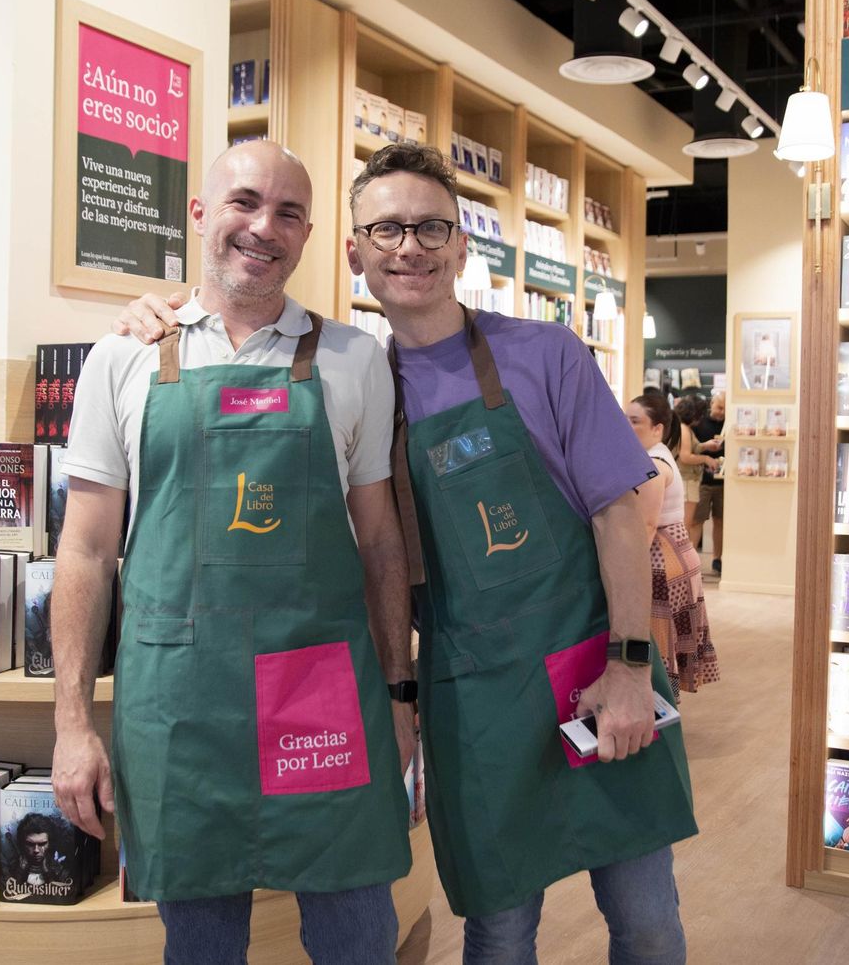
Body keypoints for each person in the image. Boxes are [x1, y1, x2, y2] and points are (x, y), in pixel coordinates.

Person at [116, 142, 697, 964]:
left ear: (461, 246)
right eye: (386, 230)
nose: (410, 247)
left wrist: (631, 666)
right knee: (499, 933)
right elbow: (373, 549)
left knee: (646, 918)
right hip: (472, 698)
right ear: (354, 253)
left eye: (431, 228)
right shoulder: (361, 376)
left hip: (591, 668)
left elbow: (618, 517)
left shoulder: (547, 353)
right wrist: (161, 310)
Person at [52, 140, 415, 965]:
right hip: (181, 699)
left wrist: (399, 694)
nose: (263, 227)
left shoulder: (354, 359)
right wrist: (72, 723)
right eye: (244, 202)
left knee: (360, 935)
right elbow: (86, 549)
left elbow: (380, 540)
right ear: (199, 214)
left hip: (321, 696)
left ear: (309, 234)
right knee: (201, 945)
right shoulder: (123, 356)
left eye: (288, 212)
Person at [626, 393, 719, 701]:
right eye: (624, 419)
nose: (626, 426)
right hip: (674, 553)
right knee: (664, 641)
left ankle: (660, 710)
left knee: (658, 643)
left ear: (658, 428)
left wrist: (624, 569)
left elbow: (647, 525)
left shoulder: (653, 465)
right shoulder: (659, 454)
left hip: (661, 559)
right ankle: (663, 708)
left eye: (635, 421)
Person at [671, 396, 712, 554]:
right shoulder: (684, 429)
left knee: (684, 526)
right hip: (687, 481)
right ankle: (682, 562)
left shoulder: (681, 428)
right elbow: (685, 457)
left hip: (686, 480)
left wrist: (703, 447)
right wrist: (706, 459)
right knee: (684, 526)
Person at [693, 393, 726, 574]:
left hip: (723, 483)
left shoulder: (727, 425)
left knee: (720, 521)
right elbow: (691, 451)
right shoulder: (699, 423)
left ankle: (717, 559)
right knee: (697, 520)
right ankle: (692, 561)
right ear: (712, 404)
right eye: (719, 407)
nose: (721, 412)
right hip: (702, 482)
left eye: (725, 409)